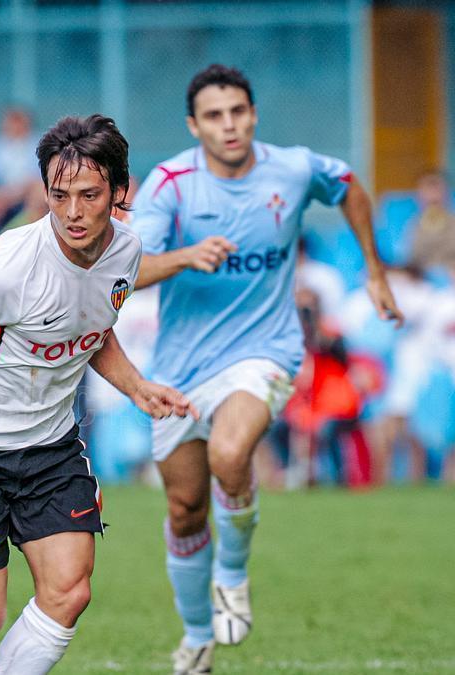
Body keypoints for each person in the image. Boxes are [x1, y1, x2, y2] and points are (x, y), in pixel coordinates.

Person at [130, 64, 403, 674]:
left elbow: (352, 187)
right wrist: (184, 257)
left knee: (232, 454)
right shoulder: (171, 184)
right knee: (184, 508)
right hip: (181, 367)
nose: (228, 125)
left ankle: (233, 574)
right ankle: (198, 636)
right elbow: (128, 270)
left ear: (253, 114)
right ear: (193, 125)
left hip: (266, 351)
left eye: (237, 112)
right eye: (214, 116)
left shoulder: (294, 167)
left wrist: (374, 268)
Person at [0, 114, 195, 675]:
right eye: (59, 195)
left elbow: (91, 326)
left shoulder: (127, 253)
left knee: (69, 590)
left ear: (119, 192)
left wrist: (139, 389)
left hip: (52, 448)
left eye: (89, 195)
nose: (72, 211)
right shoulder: (5, 269)